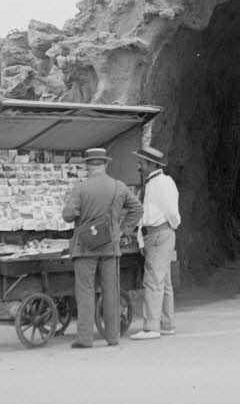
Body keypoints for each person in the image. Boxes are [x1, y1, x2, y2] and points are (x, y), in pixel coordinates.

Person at [62, 147, 143, 348]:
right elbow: (137, 209)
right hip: (110, 246)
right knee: (111, 291)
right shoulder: (119, 187)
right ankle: (113, 337)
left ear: (88, 165)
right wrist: (122, 230)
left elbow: (67, 215)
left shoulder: (80, 188)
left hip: (85, 247)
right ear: (105, 164)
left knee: (85, 291)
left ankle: (85, 339)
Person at [131, 145, 181, 340]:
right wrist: (142, 239)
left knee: (153, 280)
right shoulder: (153, 183)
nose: (139, 167)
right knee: (164, 281)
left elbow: (171, 212)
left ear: (151, 164)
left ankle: (151, 327)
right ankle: (167, 324)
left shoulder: (163, 183)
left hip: (160, 234)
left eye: (141, 163)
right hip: (156, 234)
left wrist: (167, 229)